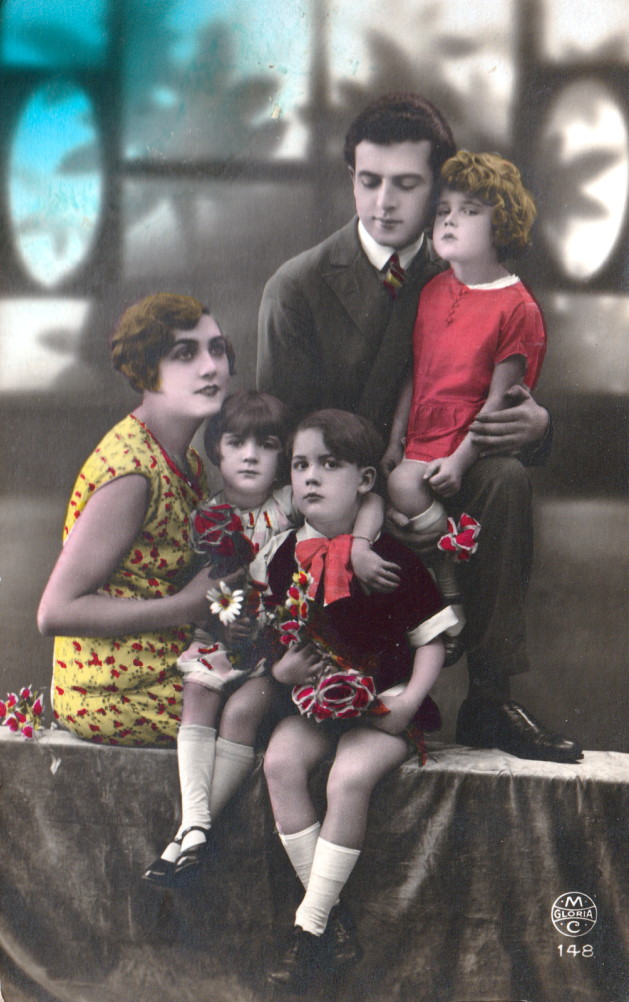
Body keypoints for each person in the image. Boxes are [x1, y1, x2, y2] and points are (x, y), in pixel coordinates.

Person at [257, 92, 581, 763]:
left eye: (406, 184)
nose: (383, 203)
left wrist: (537, 425)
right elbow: (279, 434)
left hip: (436, 470)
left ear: (439, 186)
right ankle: (321, 692)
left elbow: (501, 388)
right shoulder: (298, 285)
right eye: (369, 180)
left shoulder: (466, 266)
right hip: (334, 493)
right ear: (350, 177)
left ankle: (490, 696)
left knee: (504, 477)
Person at [142, 390, 396, 887]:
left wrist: (361, 546)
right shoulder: (207, 517)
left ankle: (189, 832)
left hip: (274, 646)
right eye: (236, 443)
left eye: (267, 445)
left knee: (241, 711)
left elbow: (371, 498)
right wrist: (225, 623)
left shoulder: (290, 502)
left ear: (283, 457)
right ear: (216, 450)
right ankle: (194, 822)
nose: (251, 456)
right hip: (231, 633)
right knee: (199, 688)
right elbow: (208, 590)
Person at [258, 409, 457, 991]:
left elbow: (430, 639)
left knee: (348, 777)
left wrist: (410, 700)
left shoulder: (388, 556)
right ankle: (330, 920)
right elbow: (275, 639)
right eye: (300, 465)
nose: (310, 477)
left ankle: (310, 928)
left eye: (329, 464)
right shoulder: (282, 555)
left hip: (383, 702)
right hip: (318, 701)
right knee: (280, 762)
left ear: (365, 480)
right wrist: (282, 669)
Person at [38, 292, 235, 747]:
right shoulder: (132, 472)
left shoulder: (187, 461)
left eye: (217, 349)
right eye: (185, 354)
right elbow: (55, 612)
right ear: (147, 370)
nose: (210, 367)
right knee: (273, 710)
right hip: (112, 692)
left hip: (166, 664)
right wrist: (186, 606)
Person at [384, 151, 546, 667]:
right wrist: (396, 439)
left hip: (470, 441)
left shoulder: (517, 306)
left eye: (469, 211)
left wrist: (458, 461)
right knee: (399, 481)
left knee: (407, 487)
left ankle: (450, 586)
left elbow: (501, 401)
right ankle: (446, 580)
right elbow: (417, 372)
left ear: (503, 224)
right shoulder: (433, 290)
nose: (449, 220)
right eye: (443, 211)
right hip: (423, 434)